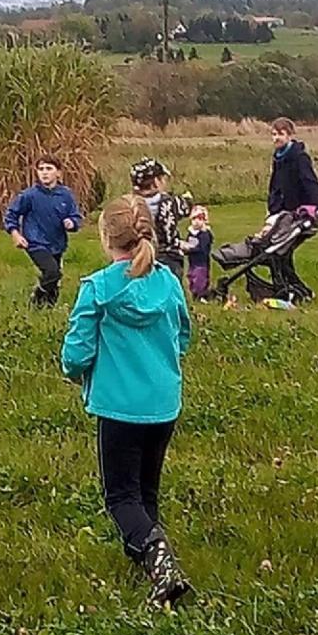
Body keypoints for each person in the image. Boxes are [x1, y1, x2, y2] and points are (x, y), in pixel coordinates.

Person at [60, 194, 192, 608]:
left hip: (119, 410)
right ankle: (154, 566)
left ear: (106, 238)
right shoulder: (168, 282)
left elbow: (75, 354)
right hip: (163, 404)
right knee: (146, 490)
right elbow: (182, 335)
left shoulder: (98, 288)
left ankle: (155, 555)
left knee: (121, 497)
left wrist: (75, 371)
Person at [4, 155, 82, 308]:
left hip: (57, 243)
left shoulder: (65, 195)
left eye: (49, 169)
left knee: (54, 282)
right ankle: (35, 299)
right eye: (41, 169)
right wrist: (16, 235)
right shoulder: (29, 195)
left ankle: (47, 310)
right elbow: (11, 214)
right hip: (35, 242)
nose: (44, 172)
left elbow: (75, 216)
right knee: (52, 272)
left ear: (58, 173)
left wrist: (71, 222)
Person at [130, 156, 193, 280]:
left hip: (137, 256)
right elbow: (186, 207)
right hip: (169, 259)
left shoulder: (130, 204)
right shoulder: (170, 202)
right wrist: (188, 198)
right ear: (156, 181)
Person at [268, 117, 318, 214]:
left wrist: (315, 207)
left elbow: (310, 183)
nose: (276, 138)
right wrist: (272, 205)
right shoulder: (277, 158)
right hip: (280, 210)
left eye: (281, 134)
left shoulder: (300, 157)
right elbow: (275, 186)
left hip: (300, 211)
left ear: (289, 136)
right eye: (274, 134)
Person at [180, 204, 214, 299]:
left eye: (200, 219)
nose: (196, 222)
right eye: (194, 219)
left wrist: (190, 249)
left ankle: (201, 295)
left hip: (201, 263)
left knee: (200, 279)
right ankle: (194, 294)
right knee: (191, 277)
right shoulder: (191, 233)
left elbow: (201, 248)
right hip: (192, 262)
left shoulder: (204, 234)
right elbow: (189, 243)